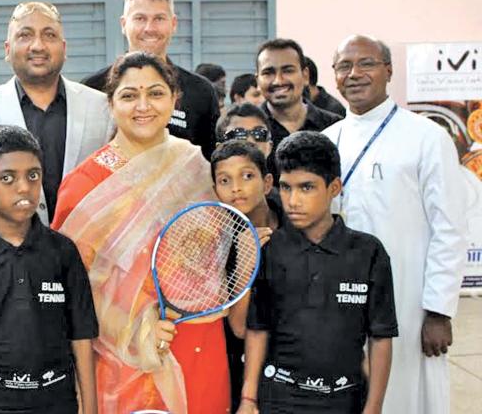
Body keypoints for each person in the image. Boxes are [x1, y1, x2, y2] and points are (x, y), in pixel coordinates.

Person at [53, 52, 236, 414]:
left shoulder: (195, 167)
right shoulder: (85, 183)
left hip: (197, 339)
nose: (143, 106)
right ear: (111, 103)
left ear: (173, 99)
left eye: (155, 93)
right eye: (128, 95)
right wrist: (137, 327)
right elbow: (71, 285)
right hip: (120, 355)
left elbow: (215, 263)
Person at [323, 35, 467, 414]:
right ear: (334, 76)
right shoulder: (326, 140)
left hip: (409, 296)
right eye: (343, 66)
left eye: (366, 63)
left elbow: (449, 227)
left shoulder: (426, 137)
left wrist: (438, 310)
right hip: (341, 296)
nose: (354, 74)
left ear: (388, 70)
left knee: (408, 394)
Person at [239, 131, 397, 414]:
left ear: (334, 187)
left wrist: (373, 408)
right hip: (279, 399)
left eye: (307, 187)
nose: (293, 200)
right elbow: (257, 329)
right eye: (286, 188)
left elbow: (381, 337)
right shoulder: (269, 249)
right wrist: (248, 400)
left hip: (346, 399)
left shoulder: (369, 253)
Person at [0, 125, 98, 414]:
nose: (23, 187)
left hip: (56, 401)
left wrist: (89, 408)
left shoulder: (63, 251)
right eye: (7, 178)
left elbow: (81, 336)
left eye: (33, 175)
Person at [0, 2, 110, 225]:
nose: (38, 46)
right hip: (7, 253)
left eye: (49, 35)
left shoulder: (102, 107)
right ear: (7, 50)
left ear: (64, 49)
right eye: (25, 35)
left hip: (86, 249)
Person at [82, 0, 220, 159]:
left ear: (173, 24)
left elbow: (210, 164)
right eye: (140, 18)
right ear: (124, 24)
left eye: (159, 18)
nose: (149, 28)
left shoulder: (200, 91)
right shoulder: (93, 88)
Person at [210, 140, 282, 413]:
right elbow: (239, 327)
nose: (236, 188)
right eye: (224, 180)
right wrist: (245, 263)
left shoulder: (293, 229)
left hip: (292, 367)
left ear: (267, 183)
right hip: (240, 371)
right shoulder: (217, 244)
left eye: (247, 176)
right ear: (215, 190)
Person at [255, 39, 341, 180]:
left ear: (305, 76)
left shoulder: (334, 127)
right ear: (258, 80)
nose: (278, 81)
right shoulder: (247, 131)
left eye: (288, 70)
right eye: (268, 72)